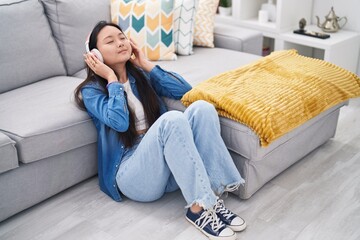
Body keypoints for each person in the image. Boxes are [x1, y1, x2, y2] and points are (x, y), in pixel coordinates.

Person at [74, 21, 246, 240]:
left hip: (166, 165)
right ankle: (198, 209)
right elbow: (119, 122)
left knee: (202, 108)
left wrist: (145, 63)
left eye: (122, 37)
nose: (120, 43)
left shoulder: (140, 77)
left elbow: (185, 91)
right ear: (95, 55)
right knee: (171, 119)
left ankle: (212, 194)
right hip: (133, 174)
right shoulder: (91, 91)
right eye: (110, 41)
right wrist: (111, 78)